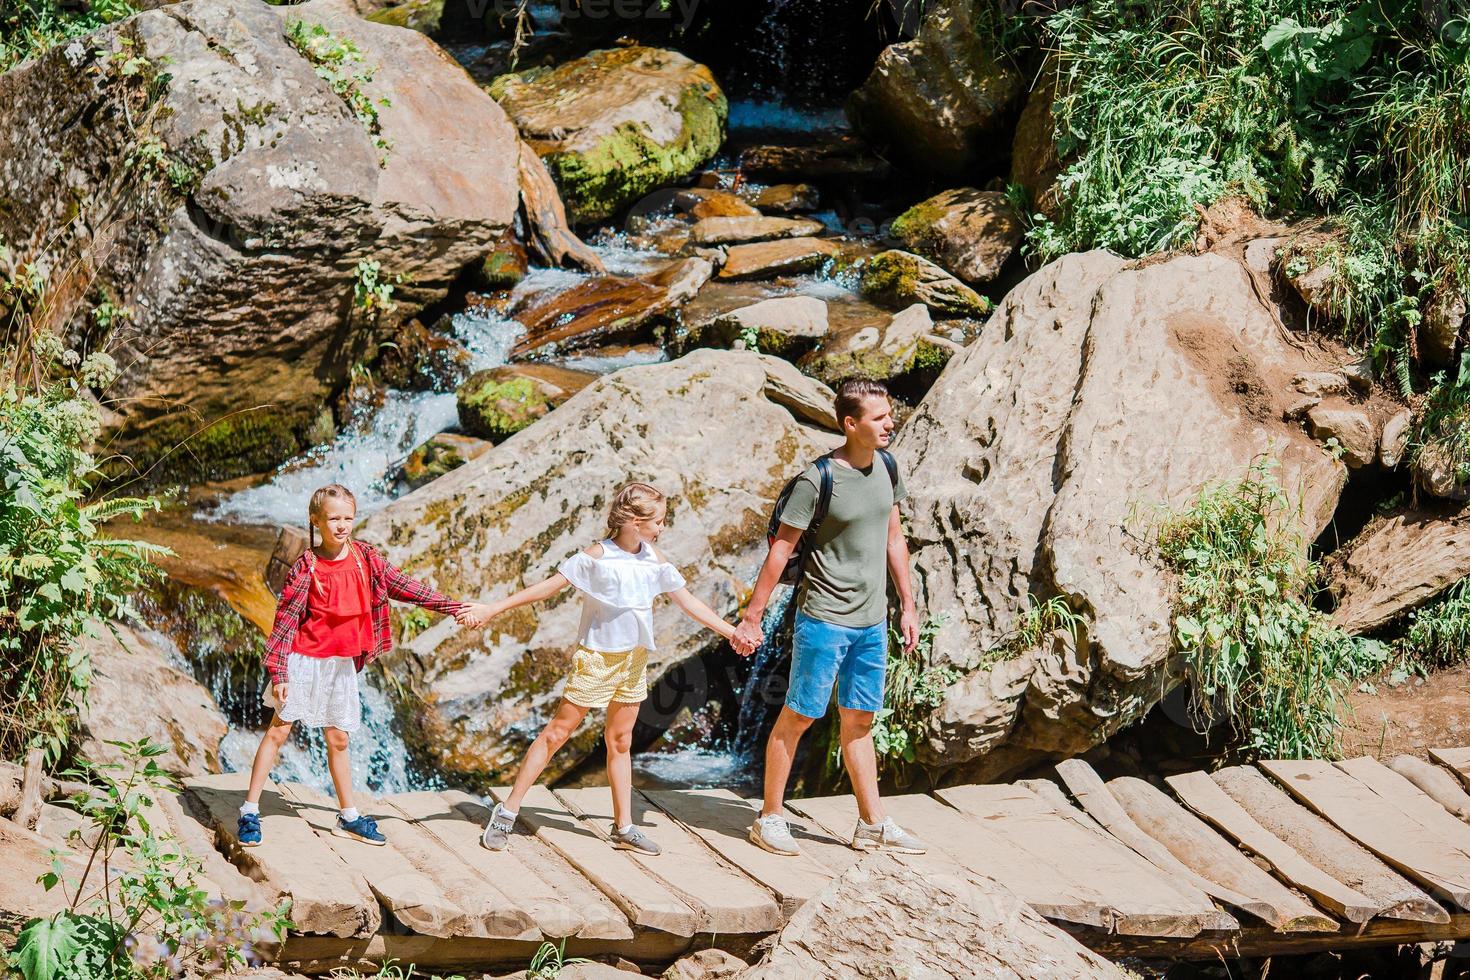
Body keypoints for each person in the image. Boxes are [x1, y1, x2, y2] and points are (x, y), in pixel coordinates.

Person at [459, 482, 750, 855]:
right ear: (632, 521)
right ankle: (508, 810)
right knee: (557, 733)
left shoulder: (652, 558)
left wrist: (730, 631)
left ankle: (623, 827)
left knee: (621, 741)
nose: (662, 528)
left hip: (633, 660)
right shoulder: (597, 557)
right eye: (657, 521)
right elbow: (547, 587)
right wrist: (492, 609)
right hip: (597, 658)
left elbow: (687, 600)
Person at [734, 378, 928, 857]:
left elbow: (894, 538)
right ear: (850, 423)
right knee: (799, 715)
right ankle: (770, 817)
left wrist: (908, 604)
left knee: (860, 719)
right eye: (879, 418)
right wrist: (752, 617)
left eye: (889, 415)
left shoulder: (886, 466)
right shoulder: (816, 480)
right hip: (823, 617)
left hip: (871, 622)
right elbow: (781, 552)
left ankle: (872, 823)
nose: (889, 423)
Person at [238, 483, 475, 848]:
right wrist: (279, 673)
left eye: (349, 517)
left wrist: (453, 606)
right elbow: (284, 622)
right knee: (278, 731)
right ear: (315, 520)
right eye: (334, 518)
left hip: (339, 666)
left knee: (339, 738)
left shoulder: (366, 559)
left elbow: (405, 586)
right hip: (304, 662)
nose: (343, 525)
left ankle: (348, 815)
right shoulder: (308, 566)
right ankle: (249, 809)